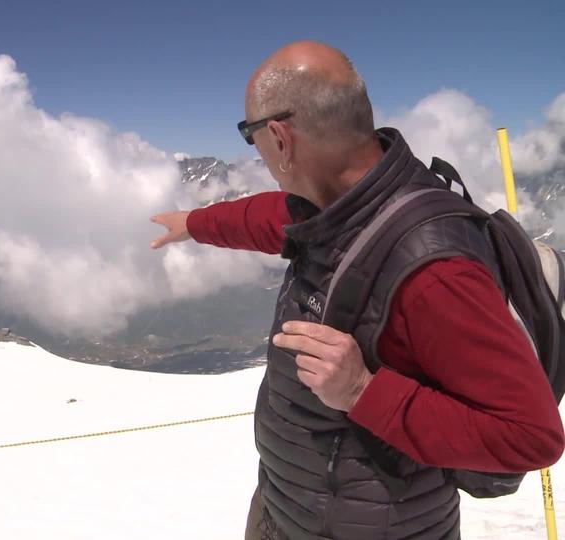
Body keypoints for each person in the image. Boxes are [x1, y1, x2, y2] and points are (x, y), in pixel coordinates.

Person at [149, 41, 565, 539]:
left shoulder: (434, 270)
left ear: (279, 138)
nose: (254, 150)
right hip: (294, 508)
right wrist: (193, 223)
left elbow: (529, 437)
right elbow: (273, 218)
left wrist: (362, 391)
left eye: (249, 134)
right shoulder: (339, 202)